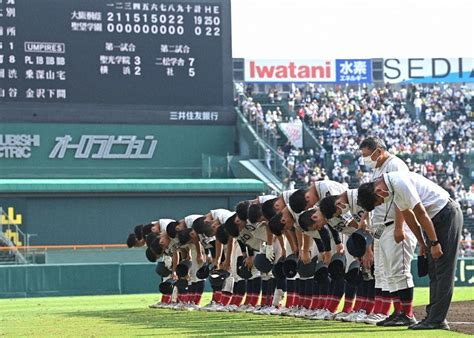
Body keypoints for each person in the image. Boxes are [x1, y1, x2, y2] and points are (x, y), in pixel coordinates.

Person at [358, 171, 463, 330]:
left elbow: (419, 212)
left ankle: (437, 319)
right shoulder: (393, 187)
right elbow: (409, 217)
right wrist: (422, 243)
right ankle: (432, 317)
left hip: (445, 214)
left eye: (379, 202)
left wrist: (433, 242)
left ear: (378, 191)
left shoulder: (399, 182)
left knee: (443, 269)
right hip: (434, 218)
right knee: (433, 270)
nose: (382, 203)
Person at [359, 137, 417, 327]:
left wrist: (400, 226)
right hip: (381, 226)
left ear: (379, 150)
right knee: (386, 273)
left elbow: (403, 197)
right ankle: (397, 312)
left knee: (399, 271)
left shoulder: (396, 165)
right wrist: (365, 216)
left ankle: (407, 313)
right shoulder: (377, 168)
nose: (365, 159)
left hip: (395, 224)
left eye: (367, 155)